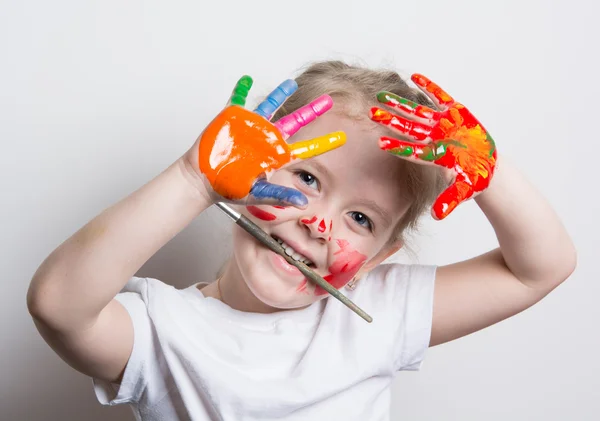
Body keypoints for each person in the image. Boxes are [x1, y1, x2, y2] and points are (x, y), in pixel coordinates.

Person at [27, 61, 577, 421]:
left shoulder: (380, 310)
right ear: (245, 173)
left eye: (361, 219)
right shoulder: (163, 330)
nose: (320, 224)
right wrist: (193, 178)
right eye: (308, 179)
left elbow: (540, 268)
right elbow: (58, 308)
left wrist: (490, 170)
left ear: (378, 260)